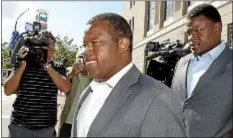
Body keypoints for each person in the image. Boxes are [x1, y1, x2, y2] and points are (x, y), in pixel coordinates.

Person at [71, 12, 186, 137]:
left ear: (122, 45)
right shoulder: (86, 94)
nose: (86, 51)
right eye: (85, 45)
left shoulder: (159, 98)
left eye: (95, 43)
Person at [171, 4, 232, 137]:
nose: (192, 38)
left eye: (198, 30)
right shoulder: (181, 64)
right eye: (189, 32)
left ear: (217, 28)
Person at [3, 31, 71, 137]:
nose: (47, 46)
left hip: (46, 128)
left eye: (50, 42)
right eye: (43, 43)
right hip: (20, 126)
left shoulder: (58, 67)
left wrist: (47, 65)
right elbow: (7, 90)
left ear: (54, 47)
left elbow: (66, 88)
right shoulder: (23, 63)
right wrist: (23, 64)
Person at [58, 52, 92, 138]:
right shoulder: (70, 71)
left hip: (82, 121)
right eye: (80, 58)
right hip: (67, 119)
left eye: (85, 58)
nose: (82, 61)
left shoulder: (93, 75)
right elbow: (61, 85)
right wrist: (72, 73)